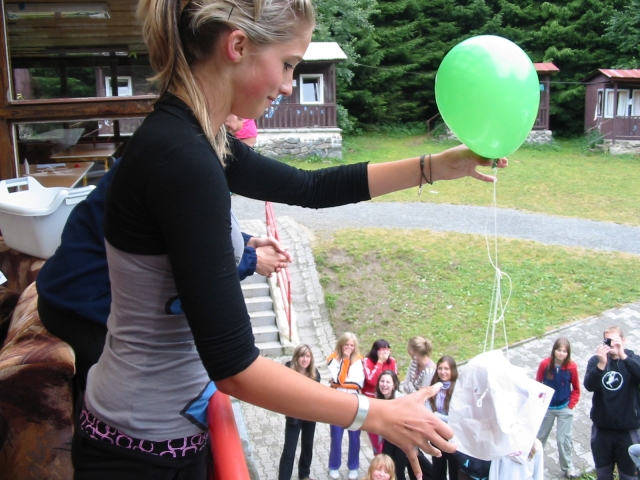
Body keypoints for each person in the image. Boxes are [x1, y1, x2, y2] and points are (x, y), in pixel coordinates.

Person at [72, 0, 508, 477]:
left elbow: (309, 188)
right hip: (138, 453)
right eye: (287, 64)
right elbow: (235, 367)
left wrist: (435, 166)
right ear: (237, 46)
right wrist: (375, 413)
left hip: (157, 436)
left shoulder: (195, 139)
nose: (288, 85)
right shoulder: (183, 158)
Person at [35, 160, 291, 391]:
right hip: (82, 312)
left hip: (72, 298)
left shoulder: (164, 154)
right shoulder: (177, 169)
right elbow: (192, 257)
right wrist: (251, 259)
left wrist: (245, 243)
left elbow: (188, 227)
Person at [584, 326, 640, 480]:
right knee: (603, 475)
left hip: (627, 430)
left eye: (616, 340)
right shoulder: (596, 361)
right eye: (608, 341)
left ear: (623, 340)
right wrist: (601, 365)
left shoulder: (633, 359)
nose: (612, 344)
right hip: (602, 430)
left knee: (629, 476)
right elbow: (589, 386)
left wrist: (623, 356)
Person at [535, 337, 581, 479]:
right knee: (539, 438)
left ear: (568, 353)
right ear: (554, 350)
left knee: (563, 440)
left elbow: (576, 388)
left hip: (564, 408)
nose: (561, 354)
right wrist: (540, 402)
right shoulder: (545, 364)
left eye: (564, 351)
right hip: (547, 408)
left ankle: (568, 467)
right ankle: (532, 466)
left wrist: (571, 405)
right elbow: (538, 384)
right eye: (559, 350)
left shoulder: (571, 367)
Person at [377, 370, 433, 480]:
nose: (384, 385)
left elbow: (414, 423)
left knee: (398, 469)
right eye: (382, 381)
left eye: (388, 382)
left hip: (404, 438)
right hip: (390, 437)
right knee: (387, 465)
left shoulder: (401, 400)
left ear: (394, 385)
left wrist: (414, 446)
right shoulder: (379, 399)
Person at [278, 344, 320, 480]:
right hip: (294, 415)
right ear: (296, 357)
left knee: (307, 445)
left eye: (308, 356)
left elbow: (316, 396)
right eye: (302, 356)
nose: (305, 359)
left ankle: (304, 474)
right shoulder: (288, 370)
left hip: (309, 415)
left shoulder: (315, 374)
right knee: (289, 450)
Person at [327, 332, 365, 479]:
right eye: (346, 345)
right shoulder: (332, 359)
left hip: (355, 403)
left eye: (352, 345)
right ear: (341, 345)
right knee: (336, 437)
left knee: (355, 437)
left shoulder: (360, 361)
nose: (349, 348)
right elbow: (339, 379)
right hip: (337, 403)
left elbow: (357, 383)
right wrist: (345, 359)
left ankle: (353, 467)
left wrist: (337, 384)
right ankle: (334, 466)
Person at [363, 339, 397, 455]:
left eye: (387, 349)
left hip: (387, 404)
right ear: (375, 350)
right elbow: (372, 381)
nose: (385, 352)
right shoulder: (367, 361)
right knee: (375, 438)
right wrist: (380, 363)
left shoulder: (392, 361)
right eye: (382, 349)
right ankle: (377, 457)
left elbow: (394, 382)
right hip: (372, 405)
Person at [428, 356, 459, 480]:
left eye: (446, 369)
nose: (442, 372)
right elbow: (428, 408)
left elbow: (455, 417)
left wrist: (436, 416)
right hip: (437, 434)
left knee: (454, 470)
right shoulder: (435, 387)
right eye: (440, 368)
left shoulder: (458, 389)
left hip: (453, 435)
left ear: (452, 370)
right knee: (438, 470)